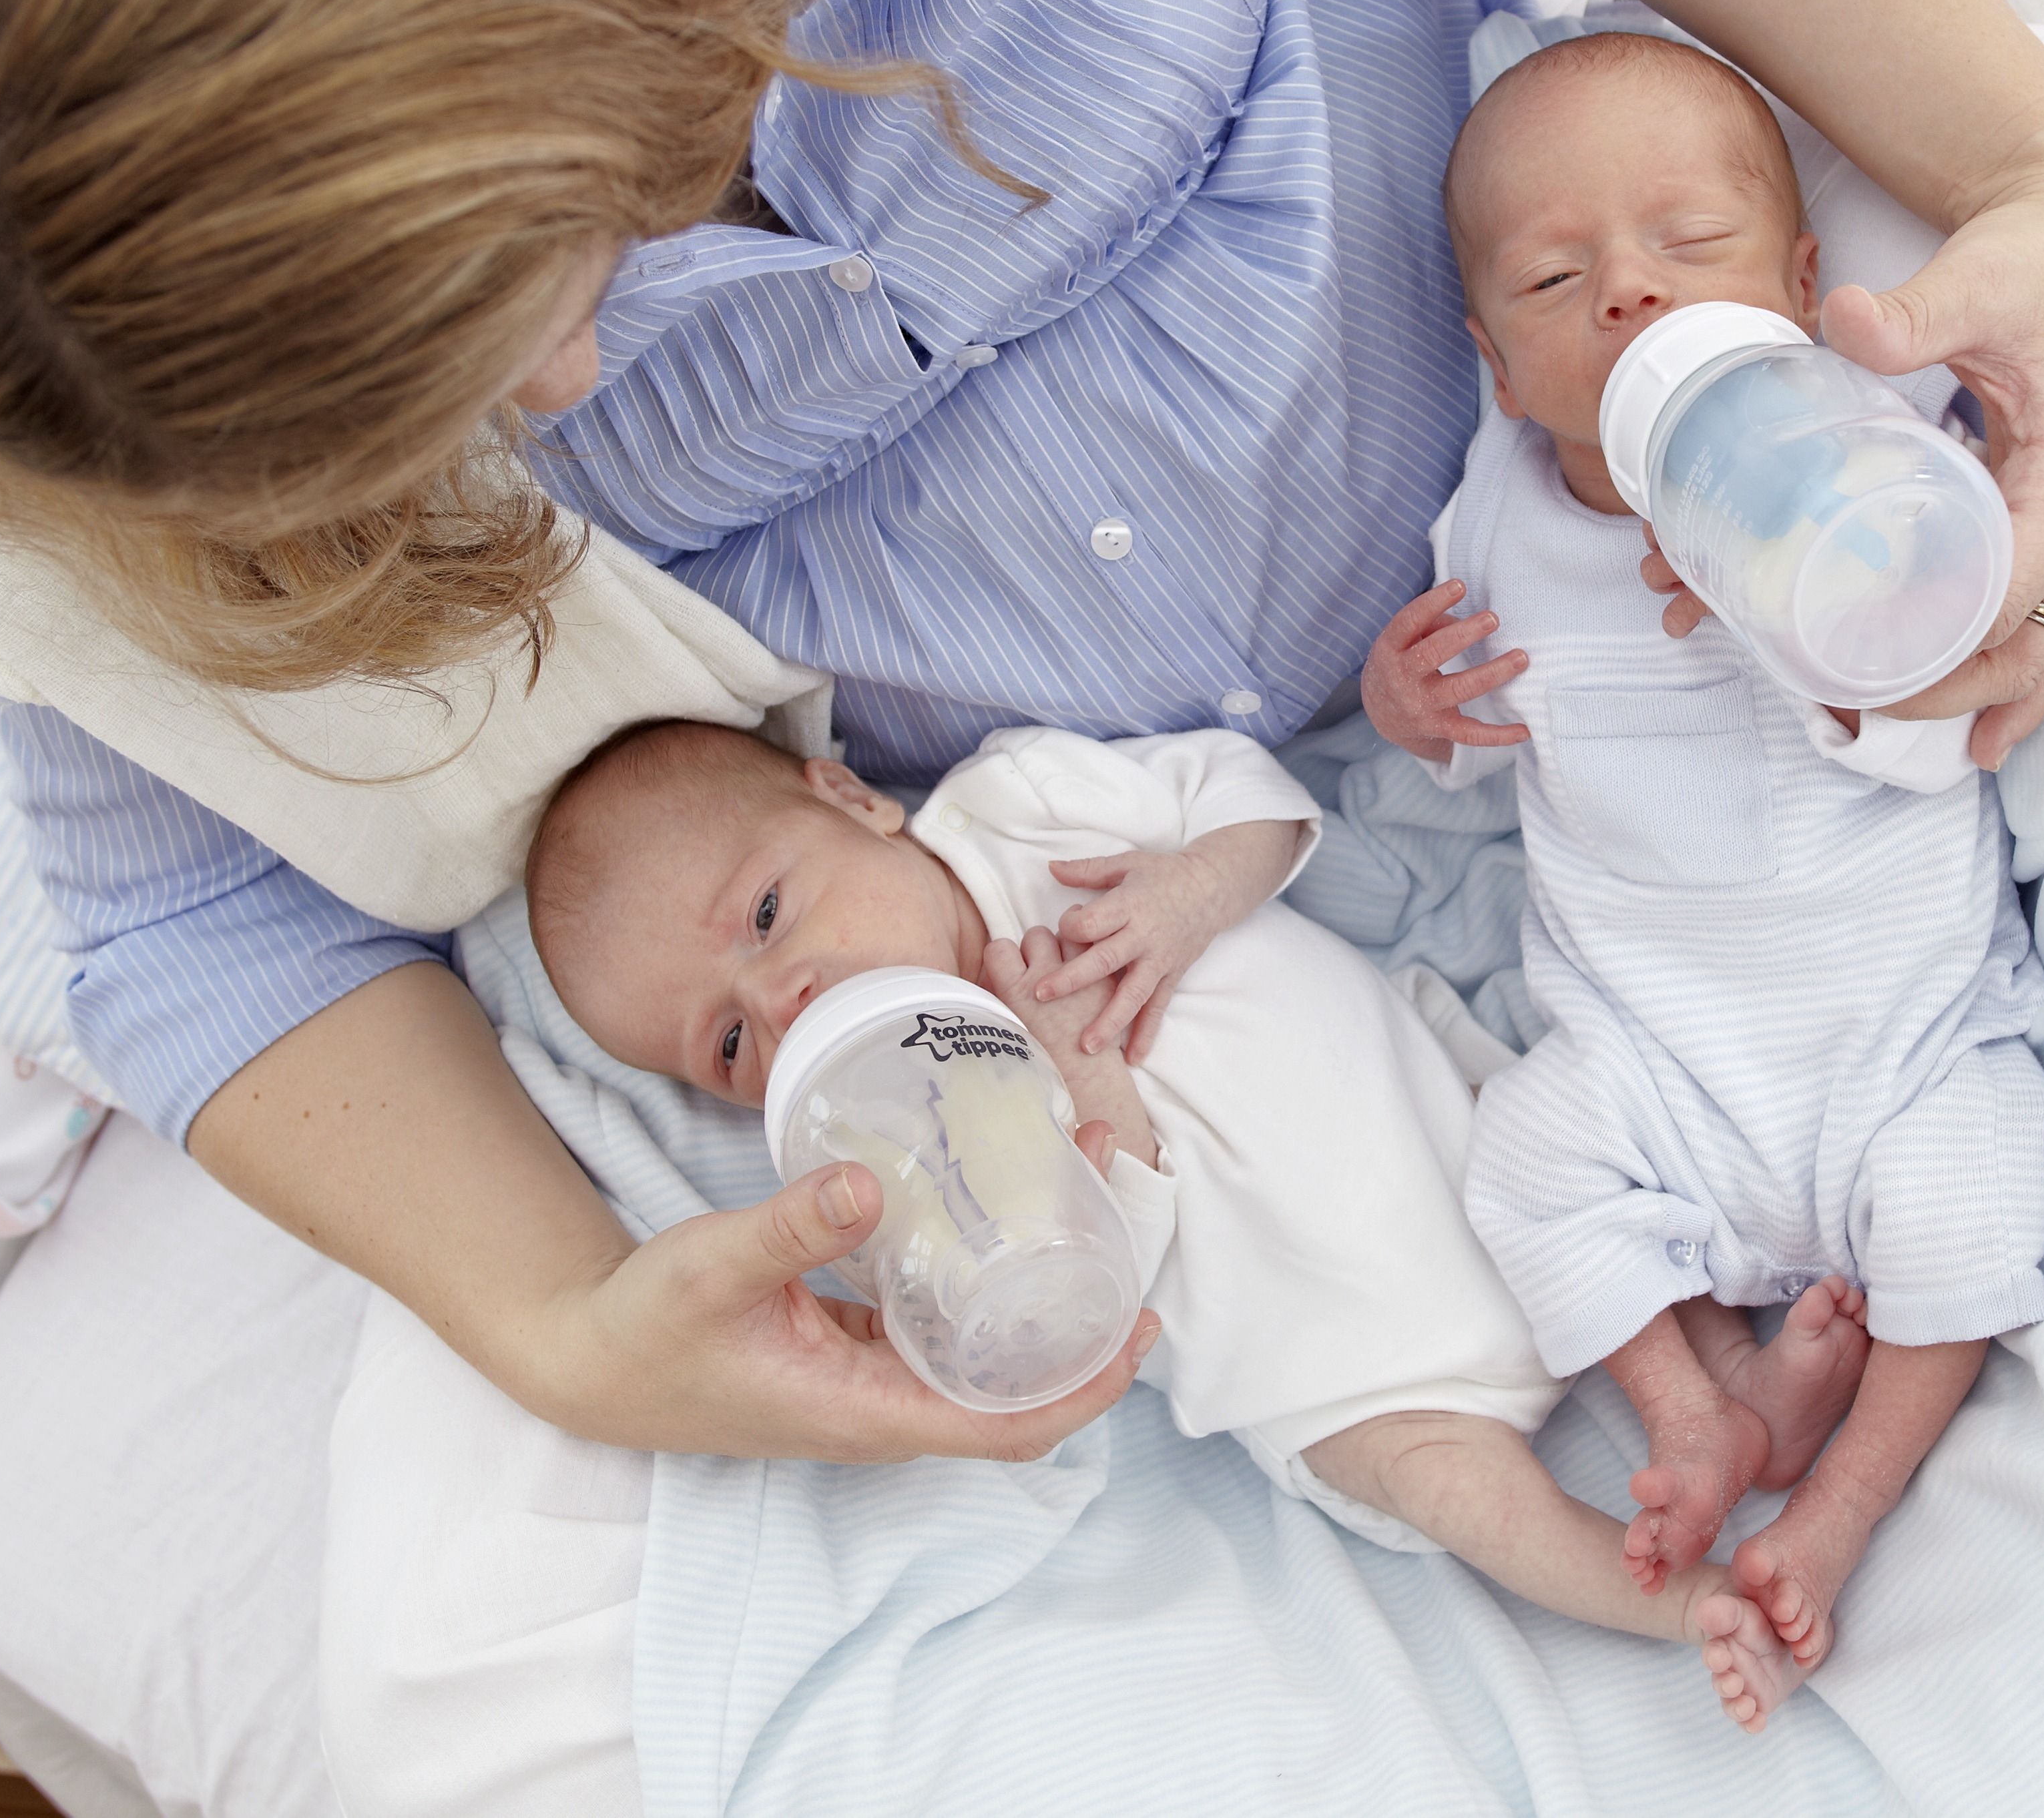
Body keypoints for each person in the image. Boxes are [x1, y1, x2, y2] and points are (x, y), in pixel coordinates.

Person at [0, 0, 2044, 1782]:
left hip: (1600, 396)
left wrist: (2040, 180)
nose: (567, 391)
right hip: (1167, 853)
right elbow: (184, 897)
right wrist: (568, 1326)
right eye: (456, 399)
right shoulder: (56, 363)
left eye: (525, 290)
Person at [525, 712, 1856, 1727]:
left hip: (1451, 1139)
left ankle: (1731, 1386)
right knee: (1459, 1494)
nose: (793, 993)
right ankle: (1691, 1606)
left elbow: (1251, 803)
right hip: (1344, 1371)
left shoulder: (1020, 807)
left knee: (1586, 1174)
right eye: (733, 1041)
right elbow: (1098, 1285)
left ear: (851, 797)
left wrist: (1184, 897)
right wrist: (1081, 1093)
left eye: (768, 914)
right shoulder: (895, 1153)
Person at [1363, 31, 2044, 1675]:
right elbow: (1473, 745)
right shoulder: (1495, 521)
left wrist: (1839, 634)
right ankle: (1705, 1408)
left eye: (1691, 247)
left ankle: (1846, 1503)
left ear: (1802, 287)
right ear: (1497, 362)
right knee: (1521, 1159)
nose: (1629, 295)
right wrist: (1411, 708)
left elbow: (1969, 701)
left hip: (1898, 1030)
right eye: (1554, 277)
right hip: (1653, 1052)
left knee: (1969, 1202)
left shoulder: (1876, 463)